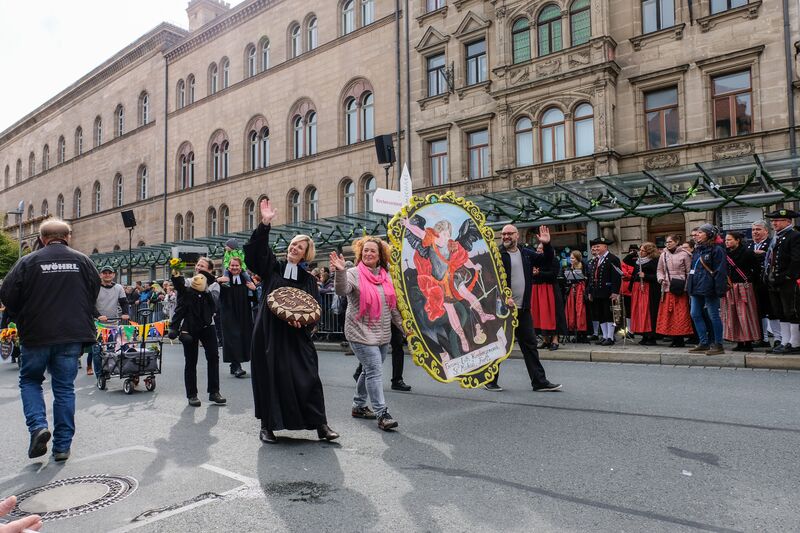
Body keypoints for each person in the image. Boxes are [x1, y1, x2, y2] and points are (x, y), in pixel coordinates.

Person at [0, 219, 100, 461]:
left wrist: (19, 316)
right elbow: (94, 290)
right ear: (68, 237)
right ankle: (62, 447)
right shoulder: (83, 261)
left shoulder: (27, 261)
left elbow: (7, 294)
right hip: (70, 335)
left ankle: (38, 427)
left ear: (42, 239)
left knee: (30, 381)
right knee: (64, 388)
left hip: (36, 335)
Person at [244, 198, 338, 444]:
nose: (295, 248)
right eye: (293, 244)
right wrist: (264, 224)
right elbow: (254, 255)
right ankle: (267, 426)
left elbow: (314, 308)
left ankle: (320, 425)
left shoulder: (307, 279)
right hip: (270, 333)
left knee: (308, 376)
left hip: (296, 336)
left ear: (307, 253)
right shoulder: (272, 268)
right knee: (269, 377)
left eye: (300, 247)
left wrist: (305, 324)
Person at [331, 236, 403, 431]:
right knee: (374, 370)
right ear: (360, 253)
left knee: (368, 369)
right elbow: (341, 290)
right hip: (359, 332)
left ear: (380, 256)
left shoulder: (386, 277)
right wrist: (340, 272)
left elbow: (393, 307)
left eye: (373, 250)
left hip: (382, 333)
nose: (369, 253)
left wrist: (406, 330)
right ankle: (382, 413)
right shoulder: (353, 273)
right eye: (366, 250)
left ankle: (358, 405)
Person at [484, 224, 562, 392]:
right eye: (503, 234)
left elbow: (546, 260)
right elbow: (489, 282)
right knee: (499, 344)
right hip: (502, 310)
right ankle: (490, 380)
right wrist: (504, 298)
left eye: (509, 234)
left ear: (517, 235)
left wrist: (547, 245)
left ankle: (539, 382)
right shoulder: (496, 254)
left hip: (523, 309)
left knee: (530, 345)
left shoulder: (526, 253)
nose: (505, 236)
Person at [169, 258, 226, 407]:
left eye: (202, 266)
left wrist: (204, 288)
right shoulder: (189, 281)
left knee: (213, 357)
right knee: (191, 360)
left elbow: (214, 305)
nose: (198, 267)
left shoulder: (214, 285)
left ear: (209, 270)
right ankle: (192, 395)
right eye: (198, 265)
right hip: (190, 326)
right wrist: (175, 274)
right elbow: (180, 286)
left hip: (208, 325)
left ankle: (214, 392)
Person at [686, 224, 728, 355]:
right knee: (695, 314)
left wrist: (719, 289)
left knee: (713, 315)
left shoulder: (717, 250)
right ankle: (704, 342)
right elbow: (693, 270)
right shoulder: (698, 250)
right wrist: (690, 286)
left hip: (709, 287)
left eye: (700, 233)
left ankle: (718, 344)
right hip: (696, 286)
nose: (697, 235)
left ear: (709, 234)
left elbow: (720, 271)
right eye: (697, 233)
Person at [764, 209, 800, 354]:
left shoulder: (794, 236)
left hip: (788, 281)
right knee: (781, 312)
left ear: (788, 222)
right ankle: (785, 341)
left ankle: (796, 343)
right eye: (773, 221)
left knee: (792, 311)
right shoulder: (777, 237)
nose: (774, 223)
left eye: (777, 220)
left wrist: (787, 276)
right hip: (775, 280)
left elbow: (797, 260)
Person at [216, 257, 256, 378]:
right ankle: (236, 366)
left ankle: (235, 366)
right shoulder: (224, 281)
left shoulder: (246, 280)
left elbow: (254, 299)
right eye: (232, 266)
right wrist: (218, 280)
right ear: (228, 267)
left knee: (242, 338)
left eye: (236, 266)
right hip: (229, 314)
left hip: (244, 314)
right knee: (233, 338)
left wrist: (254, 290)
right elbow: (216, 294)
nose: (234, 268)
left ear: (241, 267)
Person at [721, 231, 761, 351]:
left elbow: (757, 269)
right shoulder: (725, 254)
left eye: (729, 240)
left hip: (744, 286)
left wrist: (749, 280)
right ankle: (738, 341)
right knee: (733, 315)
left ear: (737, 240)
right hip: (731, 287)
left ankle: (748, 342)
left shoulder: (747, 253)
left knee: (746, 314)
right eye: (726, 240)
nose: (727, 242)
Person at [91, 265, 130, 381]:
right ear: (100, 275)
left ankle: (108, 369)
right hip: (98, 325)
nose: (107, 275)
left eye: (109, 273)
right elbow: (90, 304)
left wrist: (125, 313)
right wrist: (98, 315)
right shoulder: (95, 287)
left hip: (113, 324)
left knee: (112, 350)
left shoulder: (118, 288)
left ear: (113, 275)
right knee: (97, 350)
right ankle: (99, 375)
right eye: (105, 273)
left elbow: (124, 302)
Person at [656, 235, 693, 347]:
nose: (668, 244)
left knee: (680, 315)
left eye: (670, 241)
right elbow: (660, 270)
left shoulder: (685, 254)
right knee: (669, 315)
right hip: (667, 288)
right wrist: (661, 279)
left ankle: (680, 339)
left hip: (680, 288)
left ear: (677, 242)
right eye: (666, 242)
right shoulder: (663, 254)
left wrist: (685, 287)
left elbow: (688, 272)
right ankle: (673, 338)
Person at [748, 221, 779, 348]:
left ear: (766, 231)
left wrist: (764, 254)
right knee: (759, 311)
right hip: (754, 282)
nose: (755, 232)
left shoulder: (772, 243)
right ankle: (763, 338)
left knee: (772, 310)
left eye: (758, 229)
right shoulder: (749, 246)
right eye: (753, 229)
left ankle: (778, 338)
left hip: (769, 282)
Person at [531, 242, 567, 350]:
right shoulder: (535, 260)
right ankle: (546, 340)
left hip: (549, 289)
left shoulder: (553, 260)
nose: (538, 250)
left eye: (541, 249)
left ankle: (555, 340)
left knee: (552, 315)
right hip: (537, 289)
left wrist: (539, 273)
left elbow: (553, 275)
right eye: (537, 249)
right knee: (540, 315)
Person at [586, 237, 622, 346]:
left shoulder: (612, 258)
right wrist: (590, 291)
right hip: (597, 292)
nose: (595, 248)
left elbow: (617, 276)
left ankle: (610, 337)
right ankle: (605, 336)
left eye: (598, 246)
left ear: (605, 247)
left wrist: (615, 292)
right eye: (594, 247)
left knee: (608, 314)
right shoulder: (596, 259)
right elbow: (592, 277)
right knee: (600, 314)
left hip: (608, 291)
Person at [626, 242, 660, 345]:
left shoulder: (654, 261)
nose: (640, 252)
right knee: (639, 312)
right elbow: (626, 260)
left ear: (649, 252)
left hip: (648, 289)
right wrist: (634, 253)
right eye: (640, 250)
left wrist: (645, 276)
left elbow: (657, 276)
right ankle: (644, 335)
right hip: (637, 289)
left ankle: (651, 336)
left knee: (648, 312)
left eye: (643, 250)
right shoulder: (638, 261)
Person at [564, 250, 590, 342]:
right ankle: (575, 332)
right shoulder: (569, 267)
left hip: (581, 290)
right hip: (572, 290)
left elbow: (588, 278)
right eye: (570, 258)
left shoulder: (584, 266)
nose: (571, 260)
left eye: (573, 258)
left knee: (581, 311)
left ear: (577, 258)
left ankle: (583, 333)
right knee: (572, 311)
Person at [620, 244, 638, 339]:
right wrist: (631, 275)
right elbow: (623, 273)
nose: (633, 252)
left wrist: (630, 275)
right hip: (627, 289)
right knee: (628, 311)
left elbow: (634, 274)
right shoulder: (626, 260)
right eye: (631, 250)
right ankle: (630, 330)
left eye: (635, 250)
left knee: (637, 310)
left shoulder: (639, 260)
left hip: (636, 289)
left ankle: (636, 329)